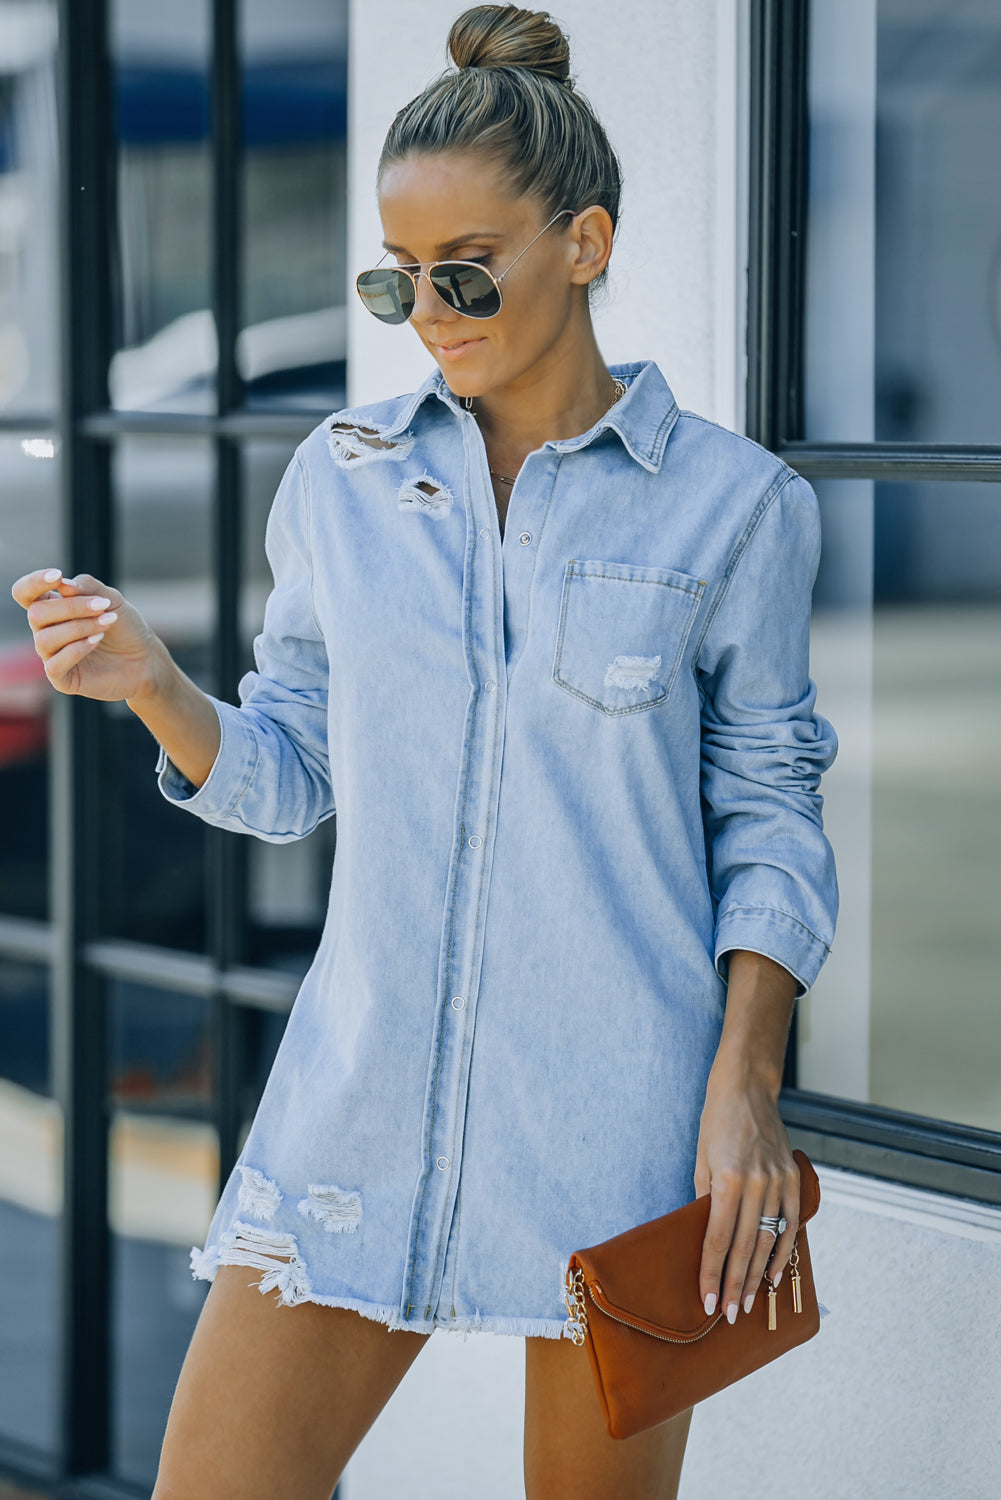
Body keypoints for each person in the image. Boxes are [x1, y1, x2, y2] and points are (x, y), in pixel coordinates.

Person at [11, 5, 839, 1497]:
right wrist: (157, 685)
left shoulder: (736, 507)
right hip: (360, 1100)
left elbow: (768, 810)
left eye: (464, 270)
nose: (429, 312)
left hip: (625, 1125)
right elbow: (289, 775)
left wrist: (747, 1084)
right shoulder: (343, 482)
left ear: (585, 243)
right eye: (396, 278)